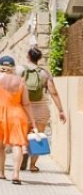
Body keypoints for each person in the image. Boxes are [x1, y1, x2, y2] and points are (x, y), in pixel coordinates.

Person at [0, 54, 33, 184]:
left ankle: (1, 172)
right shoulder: (21, 81)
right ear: (13, 68)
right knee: (17, 145)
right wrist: (32, 121)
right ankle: (16, 174)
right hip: (17, 115)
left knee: (0, 146)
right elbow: (26, 103)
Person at [21, 45, 68, 173]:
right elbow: (53, 93)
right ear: (39, 58)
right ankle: (33, 165)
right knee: (38, 136)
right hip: (41, 110)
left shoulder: (22, 72)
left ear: (28, 56)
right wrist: (61, 110)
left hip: (24, 110)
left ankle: (23, 154)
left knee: (22, 135)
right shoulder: (44, 73)